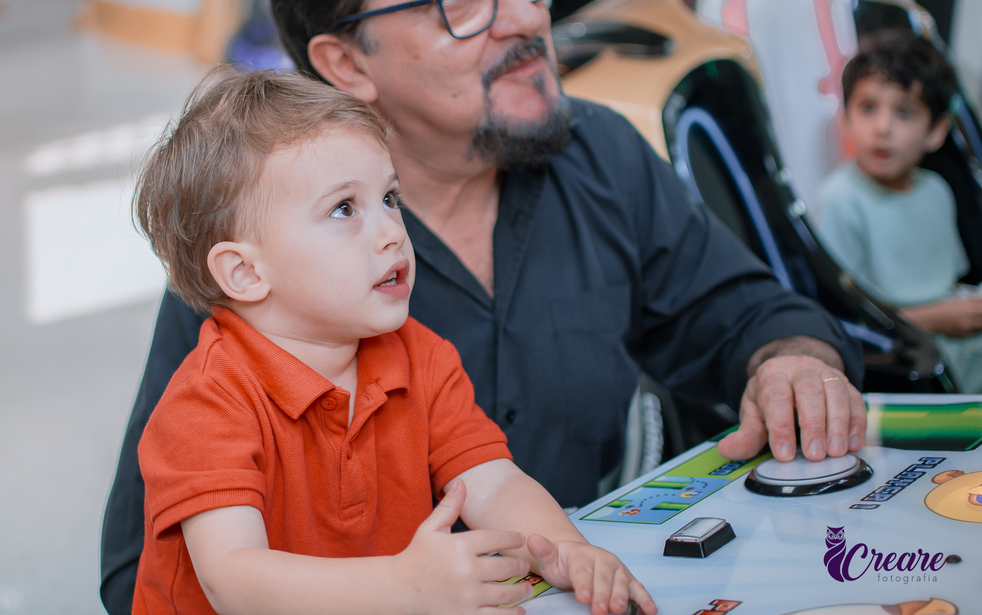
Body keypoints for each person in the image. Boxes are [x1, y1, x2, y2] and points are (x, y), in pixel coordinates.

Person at [101, 0, 867, 613]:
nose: (530, 14)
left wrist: (790, 362)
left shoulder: (600, 159)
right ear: (346, 62)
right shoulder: (249, 271)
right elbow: (144, 571)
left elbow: (743, 314)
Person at [130, 67, 656, 615]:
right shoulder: (205, 404)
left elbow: (493, 484)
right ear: (243, 273)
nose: (392, 232)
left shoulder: (421, 356)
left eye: (389, 198)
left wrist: (565, 550)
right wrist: (404, 590)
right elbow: (234, 580)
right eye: (344, 209)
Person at [815, 31, 982, 393]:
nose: (882, 128)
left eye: (904, 112)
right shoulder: (841, 201)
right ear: (845, 117)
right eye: (868, 108)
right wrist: (935, 320)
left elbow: (946, 284)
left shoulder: (937, 190)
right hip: (905, 366)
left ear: (936, 131)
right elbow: (843, 325)